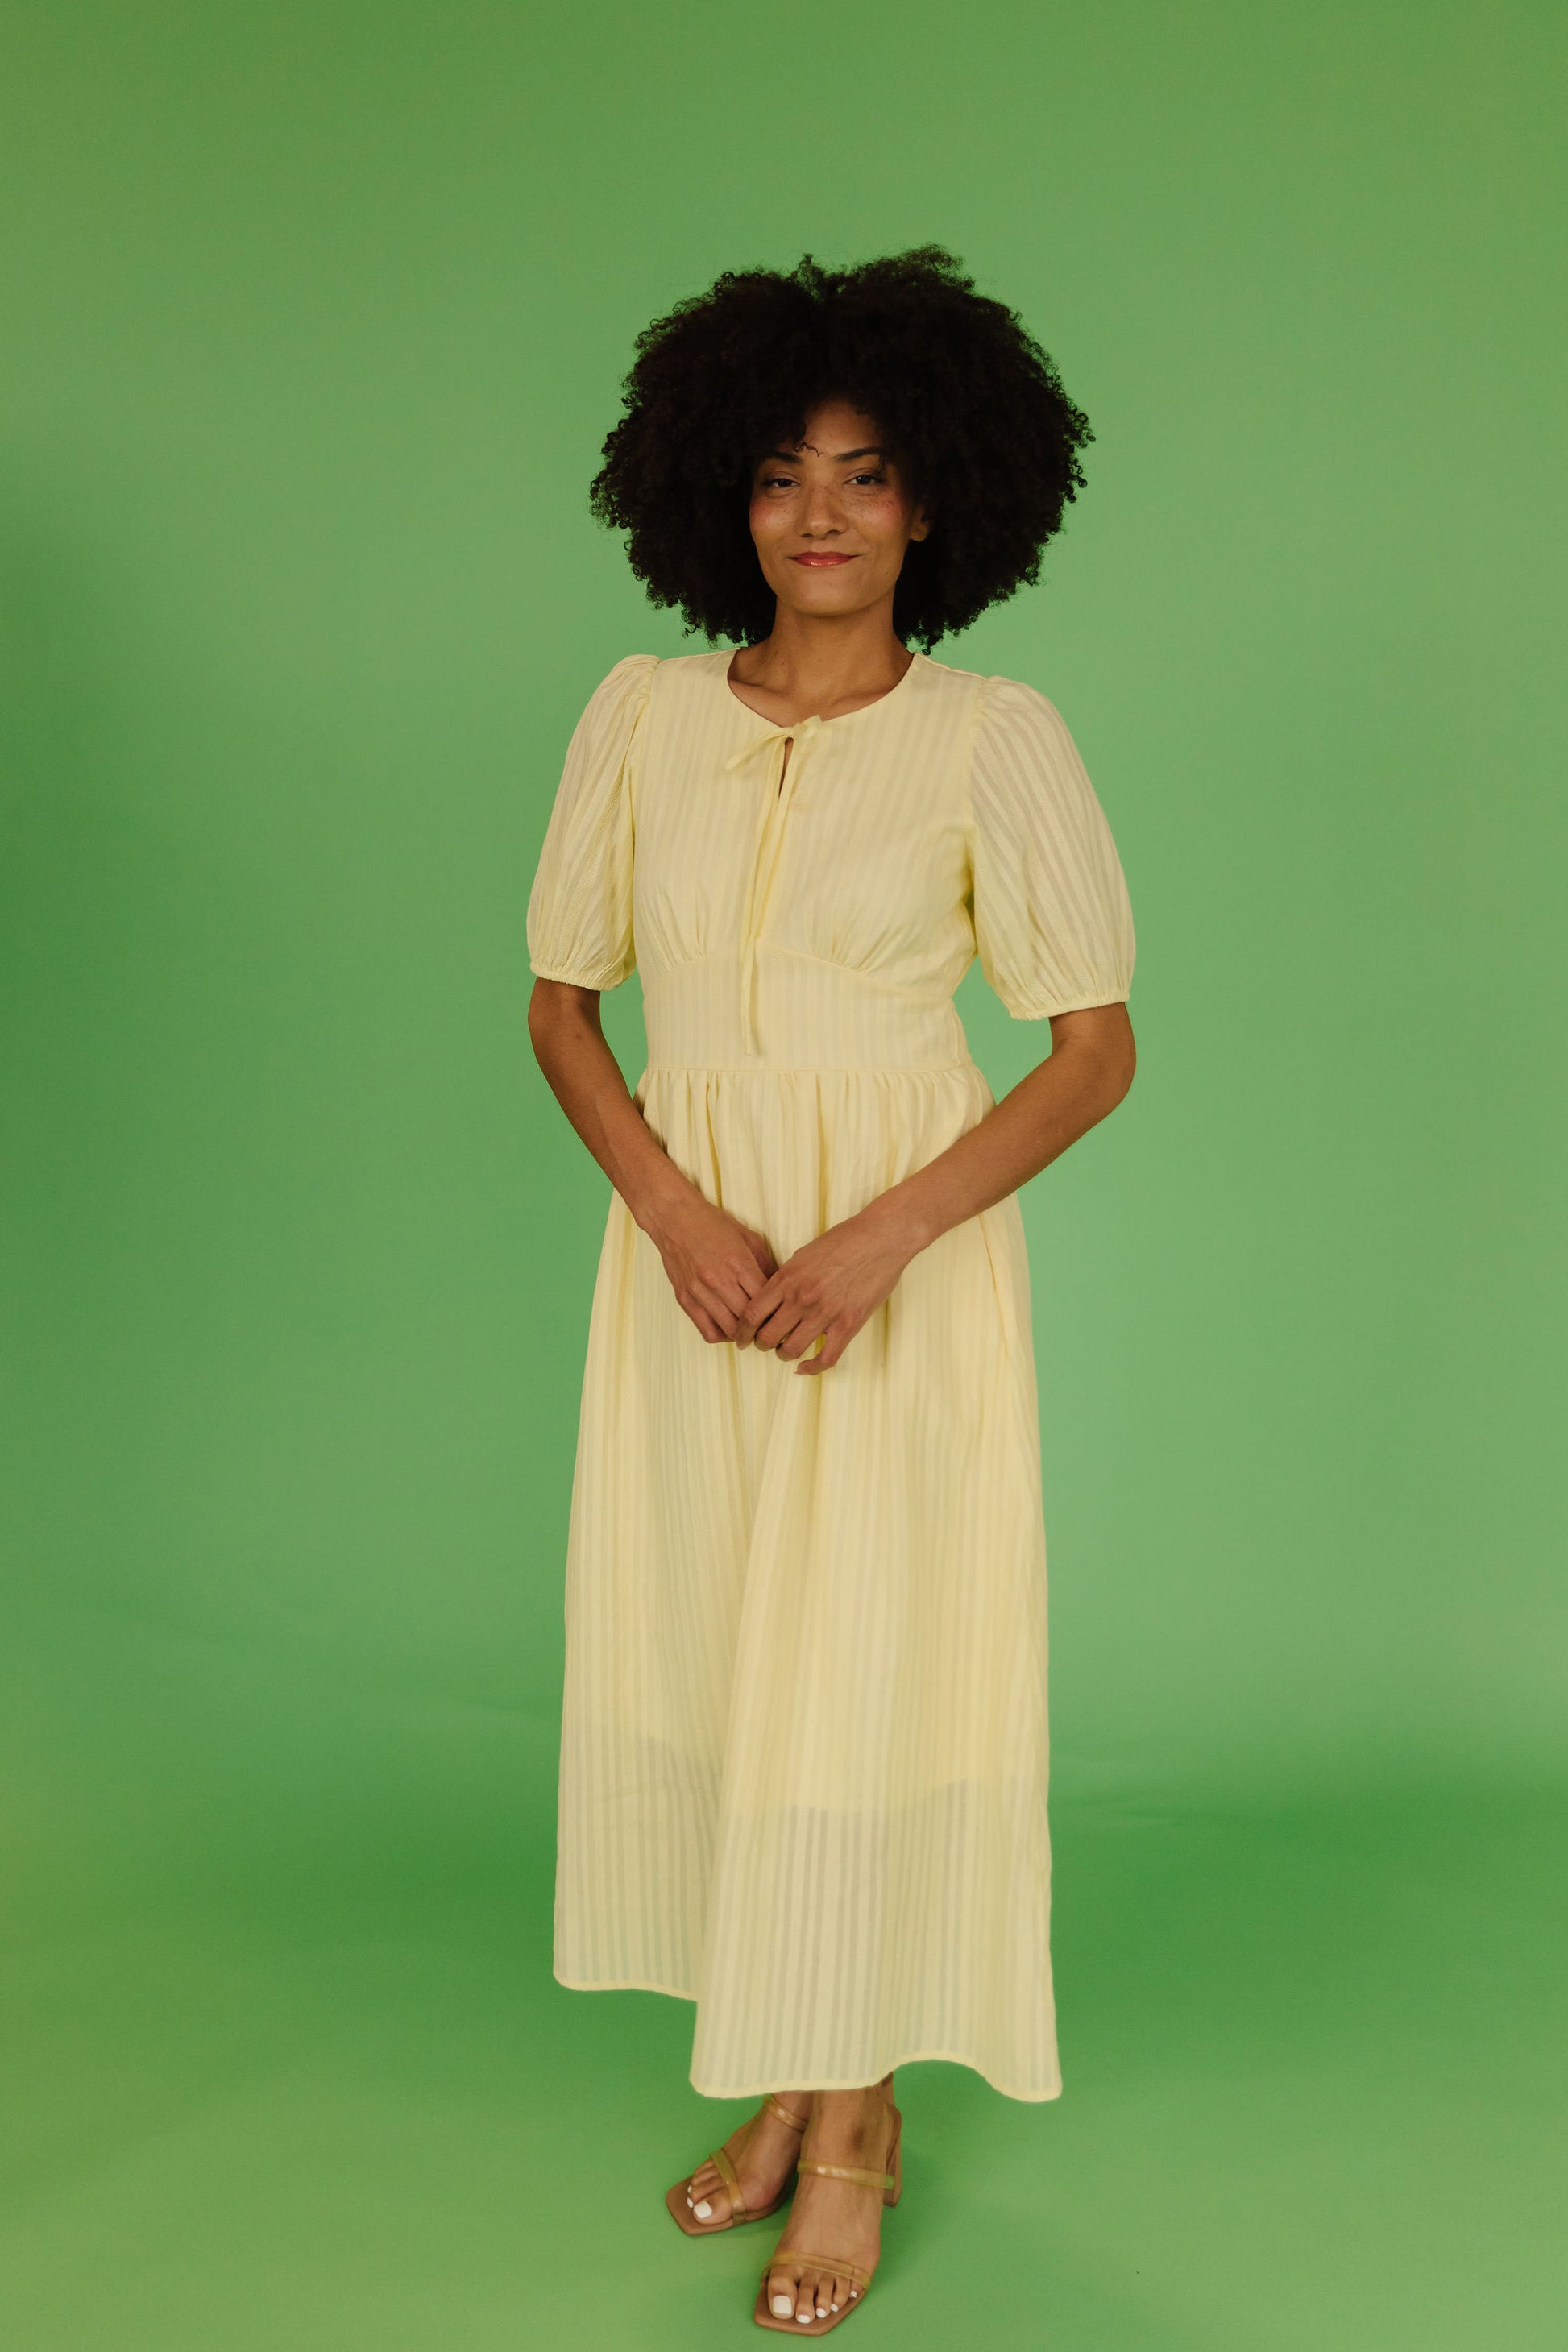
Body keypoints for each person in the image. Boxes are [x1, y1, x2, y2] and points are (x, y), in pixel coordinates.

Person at [525, 246, 1136, 2336]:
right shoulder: (637, 717)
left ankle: (855, 2124)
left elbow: (1090, 1049)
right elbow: (562, 1003)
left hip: (896, 1277)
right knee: (726, 1656)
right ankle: (794, 2063)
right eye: (783, 471)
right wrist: (673, 1215)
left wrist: (876, 1240)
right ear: (721, 490)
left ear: (936, 498)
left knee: (866, 1667)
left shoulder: (992, 737)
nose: (820, 513)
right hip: (693, 1276)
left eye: (867, 473)